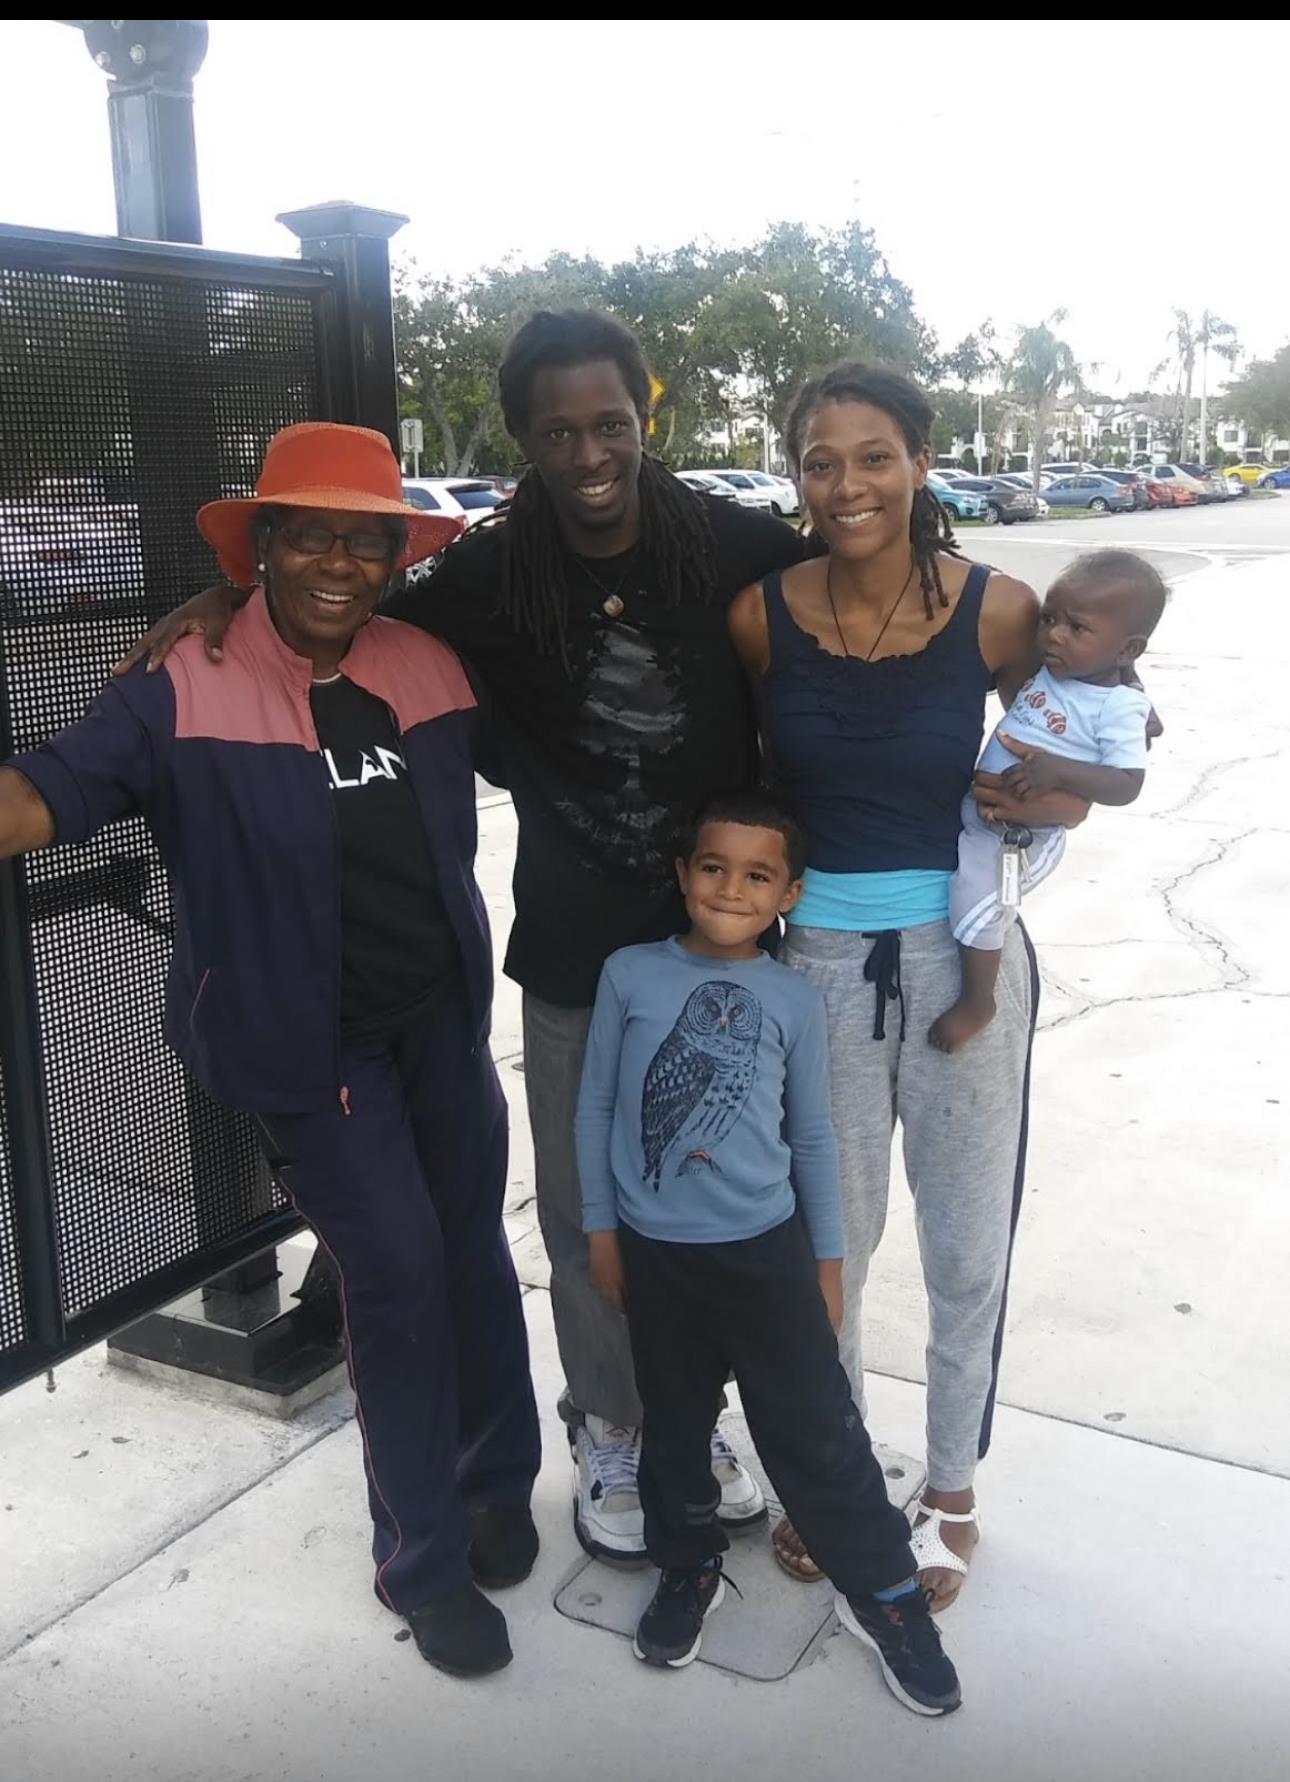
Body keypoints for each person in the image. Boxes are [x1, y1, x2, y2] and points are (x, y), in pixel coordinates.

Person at [115, 310, 806, 1564]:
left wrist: (1075, 692)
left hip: (733, 948)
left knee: (726, 1204)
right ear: (525, 438)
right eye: (558, 431)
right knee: (587, 1211)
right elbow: (337, 607)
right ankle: (611, 1425)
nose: (588, 452)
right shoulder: (483, 582)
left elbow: (870, 608)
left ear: (644, 414)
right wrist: (231, 599)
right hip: (577, 949)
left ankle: (694, 1423)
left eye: (610, 423)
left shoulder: (741, 545)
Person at [0, 422, 541, 1679]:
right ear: (263, 547)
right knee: (396, 1274)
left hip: (439, 1026)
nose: (339, 563)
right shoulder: (182, 682)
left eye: (366, 541)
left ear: (395, 558)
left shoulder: (425, 663)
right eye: (310, 536)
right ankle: (422, 1562)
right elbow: (41, 795)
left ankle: (496, 1481)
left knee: (472, 1256)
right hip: (311, 1049)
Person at [728, 363, 1111, 1611]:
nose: (849, 484)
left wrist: (1043, 799)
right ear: (797, 476)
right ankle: (830, 1477)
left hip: (965, 963)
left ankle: (952, 1487)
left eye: (875, 456)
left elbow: (1074, 755)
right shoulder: (759, 617)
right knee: (826, 1251)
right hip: (816, 972)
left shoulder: (1000, 612)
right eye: (822, 461)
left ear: (921, 463)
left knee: (965, 1243)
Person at [574, 791, 961, 1716]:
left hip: (767, 1256)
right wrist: (602, 1231)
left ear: (788, 894)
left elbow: (814, 1136)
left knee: (819, 1433)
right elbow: (597, 1107)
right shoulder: (630, 974)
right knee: (675, 1428)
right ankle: (686, 1567)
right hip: (658, 1256)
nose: (730, 888)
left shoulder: (791, 996)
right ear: (683, 875)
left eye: (757, 875)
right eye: (713, 867)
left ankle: (887, 1595)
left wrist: (827, 1263)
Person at [932, 550, 1166, 1051]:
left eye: (1077, 628)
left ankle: (978, 1001)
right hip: (980, 811)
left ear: (1127, 650)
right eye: (1049, 619)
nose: (1055, 635)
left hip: (1021, 834)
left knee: (976, 903)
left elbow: (1128, 783)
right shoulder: (1058, 670)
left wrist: (1058, 771)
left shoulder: (1118, 706)